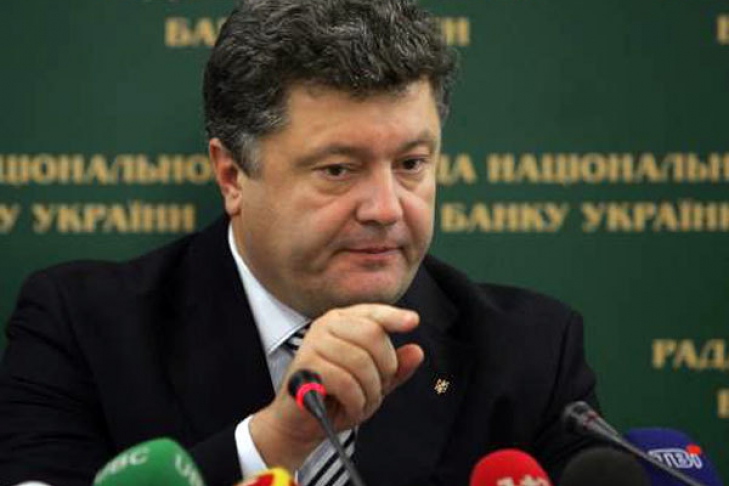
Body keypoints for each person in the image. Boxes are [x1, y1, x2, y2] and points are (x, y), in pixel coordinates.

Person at [0, 0, 599, 485]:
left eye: (411, 164)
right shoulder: (83, 330)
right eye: (338, 169)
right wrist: (272, 442)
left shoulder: (531, 355)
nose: (386, 209)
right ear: (232, 176)